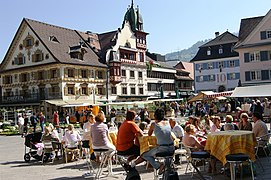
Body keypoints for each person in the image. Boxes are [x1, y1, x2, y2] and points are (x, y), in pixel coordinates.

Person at [132, 108, 175, 175]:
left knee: (144, 155)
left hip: (162, 149)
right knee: (154, 150)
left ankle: (159, 165)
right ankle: (164, 166)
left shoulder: (154, 124)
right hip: (172, 148)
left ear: (155, 116)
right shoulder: (168, 122)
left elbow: (149, 134)